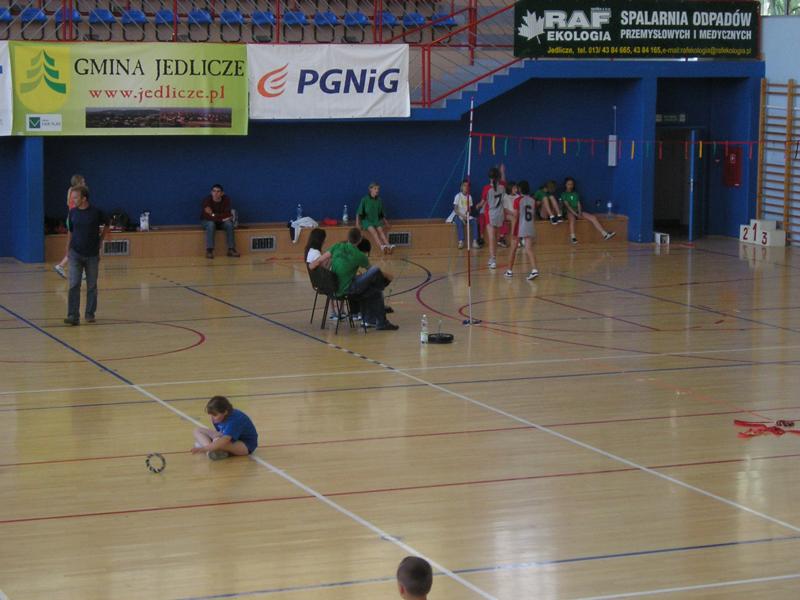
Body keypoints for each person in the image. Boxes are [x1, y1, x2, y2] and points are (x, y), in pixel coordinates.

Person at [330, 228, 398, 330]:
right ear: (360, 239)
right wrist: (387, 277)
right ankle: (377, 320)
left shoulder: (338, 247)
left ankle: (371, 321)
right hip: (346, 288)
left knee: (374, 290)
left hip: (337, 286)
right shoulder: (359, 255)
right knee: (375, 274)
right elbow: (372, 271)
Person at [63, 186, 108, 326]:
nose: (73, 200)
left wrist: (101, 240)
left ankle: (89, 313)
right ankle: (73, 315)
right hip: (75, 253)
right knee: (74, 284)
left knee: (92, 286)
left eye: (75, 197)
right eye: (72, 198)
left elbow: (107, 224)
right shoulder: (72, 213)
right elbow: (70, 231)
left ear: (84, 198)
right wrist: (67, 248)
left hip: (92, 255)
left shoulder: (96, 212)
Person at [192, 395, 258, 461]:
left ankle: (210, 449)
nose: (212, 418)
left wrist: (204, 448)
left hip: (246, 445)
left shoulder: (234, 420)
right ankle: (211, 451)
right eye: (210, 415)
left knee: (217, 441)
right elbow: (221, 433)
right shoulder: (218, 418)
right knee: (197, 430)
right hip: (229, 438)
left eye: (214, 415)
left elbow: (225, 440)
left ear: (225, 412)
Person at [561, 177, 616, 244]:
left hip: (578, 212)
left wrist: (579, 213)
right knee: (572, 219)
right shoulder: (564, 194)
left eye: (572, 184)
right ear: (565, 185)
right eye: (568, 184)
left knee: (593, 217)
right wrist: (576, 214)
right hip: (569, 212)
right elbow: (568, 206)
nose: (570, 186)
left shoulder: (575, 194)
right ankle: (573, 237)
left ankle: (605, 234)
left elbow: (578, 204)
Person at [505, 180, 540, 281]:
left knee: (513, 248)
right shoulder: (532, 200)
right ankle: (534, 269)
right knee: (529, 248)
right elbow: (533, 214)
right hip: (530, 225)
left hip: (520, 226)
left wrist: (513, 231)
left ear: (519, 189)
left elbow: (515, 216)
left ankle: (509, 271)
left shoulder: (517, 200)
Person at [54, 174, 87, 279]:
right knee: (79, 246)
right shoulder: (78, 193)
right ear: (78, 183)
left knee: (77, 246)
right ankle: (63, 266)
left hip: (71, 219)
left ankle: (65, 266)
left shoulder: (70, 191)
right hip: (75, 220)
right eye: (83, 181)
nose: (85, 183)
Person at [201, 184, 240, 259]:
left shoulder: (226, 199)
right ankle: (209, 250)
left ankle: (231, 249)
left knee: (229, 224)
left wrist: (214, 215)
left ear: (222, 193)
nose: (215, 193)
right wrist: (221, 218)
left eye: (218, 191)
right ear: (211, 192)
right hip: (207, 221)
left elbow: (228, 214)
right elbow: (207, 216)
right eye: (214, 191)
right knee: (211, 224)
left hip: (221, 222)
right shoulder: (206, 200)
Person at [479, 165, 507, 270]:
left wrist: (477, 206)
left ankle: (493, 259)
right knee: (496, 237)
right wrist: (502, 172)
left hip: (490, 214)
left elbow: (482, 203)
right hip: (500, 213)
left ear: (489, 177)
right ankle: (493, 258)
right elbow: (503, 180)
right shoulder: (502, 186)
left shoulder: (486, 188)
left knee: (491, 238)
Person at [357, 182, 394, 254]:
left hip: (376, 220)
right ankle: (382, 247)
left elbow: (381, 214)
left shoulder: (379, 200)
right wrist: (358, 224)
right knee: (374, 232)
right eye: (375, 188)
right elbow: (358, 212)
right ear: (370, 189)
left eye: (378, 189)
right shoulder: (364, 199)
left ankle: (389, 246)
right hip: (367, 220)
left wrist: (386, 223)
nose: (377, 190)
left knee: (381, 231)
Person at [452, 180, 479, 250]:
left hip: (466, 216)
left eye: (467, 186)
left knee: (474, 221)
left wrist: (467, 214)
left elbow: (469, 209)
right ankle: (461, 241)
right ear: (461, 187)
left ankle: (475, 241)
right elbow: (455, 209)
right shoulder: (458, 196)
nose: (466, 187)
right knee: (459, 223)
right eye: (464, 185)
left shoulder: (469, 197)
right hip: (458, 215)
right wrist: (462, 217)